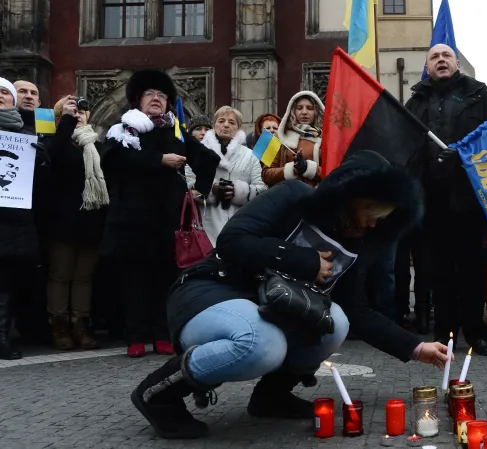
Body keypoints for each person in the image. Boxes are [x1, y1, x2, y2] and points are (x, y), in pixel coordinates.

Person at [130, 150, 451, 439]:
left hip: (261, 308)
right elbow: (231, 240)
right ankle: (158, 394)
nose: (373, 223)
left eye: (382, 217)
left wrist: (415, 347)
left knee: (334, 321)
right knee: (262, 343)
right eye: (373, 210)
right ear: (351, 196)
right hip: (208, 292)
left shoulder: (353, 245)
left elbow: (356, 312)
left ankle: (272, 397)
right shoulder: (293, 194)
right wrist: (305, 261)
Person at [101, 69, 220, 358]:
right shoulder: (124, 128)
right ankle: (136, 337)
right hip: (133, 219)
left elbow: (209, 159)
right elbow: (113, 162)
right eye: (150, 94)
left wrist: (199, 190)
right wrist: (159, 160)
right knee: (135, 281)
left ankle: (163, 334)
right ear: (138, 100)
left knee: (165, 280)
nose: (156, 99)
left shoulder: (176, 130)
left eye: (162, 95)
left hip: (168, 219)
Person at [404, 44, 487, 356]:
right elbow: (404, 143)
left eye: (446, 56)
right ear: (427, 67)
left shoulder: (479, 94)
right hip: (430, 199)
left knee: (470, 268)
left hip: (467, 195)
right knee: (437, 270)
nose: (441, 60)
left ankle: (476, 333)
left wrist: (462, 153)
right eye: (434, 57)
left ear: (457, 63)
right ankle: (444, 334)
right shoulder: (416, 100)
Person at [42, 95, 108, 350]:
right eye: (72, 110)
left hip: (91, 221)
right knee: (60, 275)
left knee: (84, 277)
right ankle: (59, 325)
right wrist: (66, 124)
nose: (78, 113)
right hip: (62, 221)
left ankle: (81, 323)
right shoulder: (54, 141)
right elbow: (51, 158)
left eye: (82, 110)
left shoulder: (94, 145)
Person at [0, 77, 49, 359]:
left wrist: (41, 162)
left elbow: (40, 186)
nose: (1, 96)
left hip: (14, 218)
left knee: (6, 282)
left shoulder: (27, 132)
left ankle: (2, 337)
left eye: (6, 92)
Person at [186, 106, 266, 245]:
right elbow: (188, 187)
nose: (226, 125)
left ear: (238, 128)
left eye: (232, 122)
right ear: (214, 125)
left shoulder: (250, 155)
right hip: (205, 223)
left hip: (240, 224)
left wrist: (238, 191)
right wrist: (211, 190)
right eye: (221, 121)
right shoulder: (198, 153)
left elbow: (262, 190)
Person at [261, 92, 324, 187]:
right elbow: (265, 174)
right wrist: (291, 169)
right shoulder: (277, 136)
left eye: (309, 108)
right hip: (287, 197)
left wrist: (308, 168)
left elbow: (335, 174)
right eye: (299, 108)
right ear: (292, 111)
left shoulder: (327, 139)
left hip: (318, 197)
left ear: (316, 111)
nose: (304, 112)